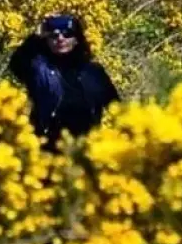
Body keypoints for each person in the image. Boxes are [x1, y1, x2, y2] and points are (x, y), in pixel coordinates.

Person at [8, 12, 120, 152]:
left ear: (76, 39)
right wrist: (36, 36)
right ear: (47, 40)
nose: (60, 39)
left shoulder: (93, 71)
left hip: (86, 149)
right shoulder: (39, 70)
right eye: (54, 35)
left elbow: (116, 106)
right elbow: (16, 64)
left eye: (67, 34)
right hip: (47, 150)